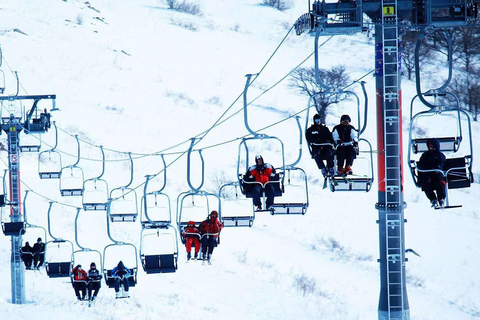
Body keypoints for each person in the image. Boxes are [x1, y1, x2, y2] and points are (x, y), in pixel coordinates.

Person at [417, 138, 446, 208]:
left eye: (432, 146)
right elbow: (420, 166)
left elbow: (441, 162)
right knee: (426, 183)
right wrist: (420, 178)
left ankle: (441, 199)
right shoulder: (425, 155)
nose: (431, 148)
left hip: (437, 174)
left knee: (440, 182)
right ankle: (433, 199)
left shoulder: (440, 155)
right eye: (430, 146)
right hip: (427, 175)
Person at [305, 114, 335, 178]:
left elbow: (330, 137)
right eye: (316, 120)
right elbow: (308, 138)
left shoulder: (325, 129)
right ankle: (323, 169)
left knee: (329, 154)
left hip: (326, 146)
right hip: (317, 147)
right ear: (314, 121)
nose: (318, 121)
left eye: (319, 120)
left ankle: (330, 168)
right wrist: (316, 140)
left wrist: (329, 142)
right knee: (317, 155)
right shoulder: (310, 130)